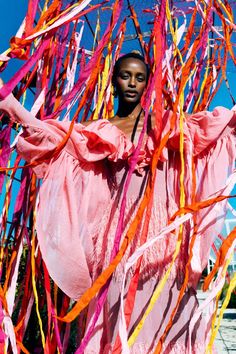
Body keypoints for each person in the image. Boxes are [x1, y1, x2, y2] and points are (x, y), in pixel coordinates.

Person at [0, 52, 236, 353]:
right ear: (114, 80)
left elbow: (216, 131)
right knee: (118, 333)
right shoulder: (99, 133)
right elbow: (56, 141)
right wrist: (11, 105)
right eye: (126, 75)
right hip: (116, 255)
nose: (132, 84)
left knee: (169, 327)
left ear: (148, 84)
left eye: (140, 78)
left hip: (165, 253)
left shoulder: (171, 127)